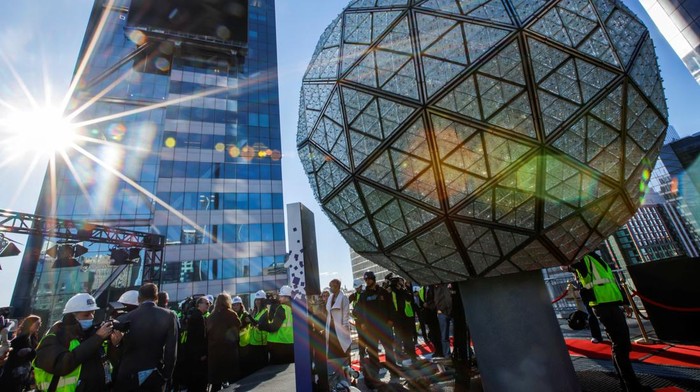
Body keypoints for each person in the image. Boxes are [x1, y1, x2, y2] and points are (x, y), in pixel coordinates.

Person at [571, 252, 651, 392]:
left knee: (621, 345)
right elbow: (570, 263)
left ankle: (627, 383)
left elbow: (611, 281)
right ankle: (631, 386)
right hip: (603, 306)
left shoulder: (597, 259)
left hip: (611, 304)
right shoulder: (582, 259)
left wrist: (624, 302)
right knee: (621, 345)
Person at [33, 293, 116, 391]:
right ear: (72, 316)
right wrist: (97, 338)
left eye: (93, 313)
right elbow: (61, 365)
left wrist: (115, 344)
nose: (91, 317)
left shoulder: (93, 334)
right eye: (86, 314)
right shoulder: (55, 335)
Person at [111, 283, 178, 392]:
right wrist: (166, 376)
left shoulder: (124, 318)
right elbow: (171, 350)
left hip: (127, 374)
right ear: (156, 297)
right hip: (154, 373)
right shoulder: (169, 316)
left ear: (139, 299)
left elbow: (116, 350)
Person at [355, 271, 393, 389]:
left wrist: (391, 319)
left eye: (369, 279)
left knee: (389, 349)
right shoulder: (363, 295)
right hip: (371, 329)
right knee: (373, 352)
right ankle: (375, 376)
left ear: (374, 279)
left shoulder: (383, 292)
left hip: (384, 326)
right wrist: (362, 323)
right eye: (366, 280)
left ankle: (394, 370)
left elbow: (391, 306)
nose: (367, 282)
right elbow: (357, 310)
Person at [207, 293, 241, 391]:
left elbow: (208, 333)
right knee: (232, 383)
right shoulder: (231, 314)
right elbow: (237, 329)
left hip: (214, 353)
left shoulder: (211, 316)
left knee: (216, 384)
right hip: (229, 352)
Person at [0, 315, 41, 391]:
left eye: (39, 324)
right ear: (30, 324)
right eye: (37, 323)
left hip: (23, 376)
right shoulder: (21, 337)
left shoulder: (32, 339)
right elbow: (12, 353)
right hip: (13, 375)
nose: (39, 325)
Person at [258, 285, 294, 364]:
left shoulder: (282, 308)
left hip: (278, 346)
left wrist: (262, 326)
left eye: (281, 296)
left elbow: (274, 328)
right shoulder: (293, 309)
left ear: (286, 297)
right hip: (290, 344)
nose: (279, 298)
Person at [325, 279, 351, 384]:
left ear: (338, 287)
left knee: (342, 353)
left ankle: (346, 380)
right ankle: (336, 380)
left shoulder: (343, 298)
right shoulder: (330, 298)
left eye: (333, 286)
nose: (331, 288)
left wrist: (345, 329)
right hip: (330, 328)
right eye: (330, 286)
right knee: (332, 354)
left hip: (339, 329)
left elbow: (346, 314)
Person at [248, 290, 269, 373]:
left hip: (261, 343)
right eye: (256, 300)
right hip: (253, 342)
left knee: (261, 369)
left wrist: (249, 317)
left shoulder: (265, 312)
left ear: (263, 301)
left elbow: (258, 324)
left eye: (259, 300)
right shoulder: (255, 311)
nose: (257, 302)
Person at [422, 285, 443, 357]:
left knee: (436, 334)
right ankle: (437, 350)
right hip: (429, 315)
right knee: (432, 335)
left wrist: (428, 305)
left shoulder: (432, 287)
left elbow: (436, 300)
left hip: (434, 314)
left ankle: (440, 351)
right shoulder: (424, 288)